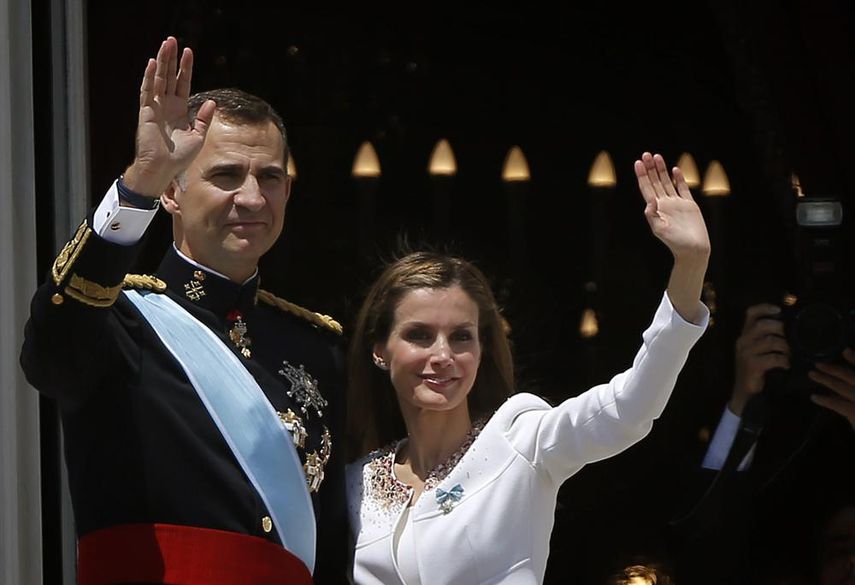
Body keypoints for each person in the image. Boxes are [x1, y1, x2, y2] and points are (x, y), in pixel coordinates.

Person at [20, 37, 346, 584]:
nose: (252, 197)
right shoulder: (117, 319)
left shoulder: (317, 345)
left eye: (270, 178)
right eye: (225, 175)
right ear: (172, 193)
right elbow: (49, 355)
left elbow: (332, 539)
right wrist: (140, 178)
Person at [345, 152, 711, 584]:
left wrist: (689, 265)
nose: (442, 355)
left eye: (462, 336)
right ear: (380, 350)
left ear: (482, 350)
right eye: (419, 335)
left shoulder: (521, 440)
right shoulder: (357, 481)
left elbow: (629, 407)